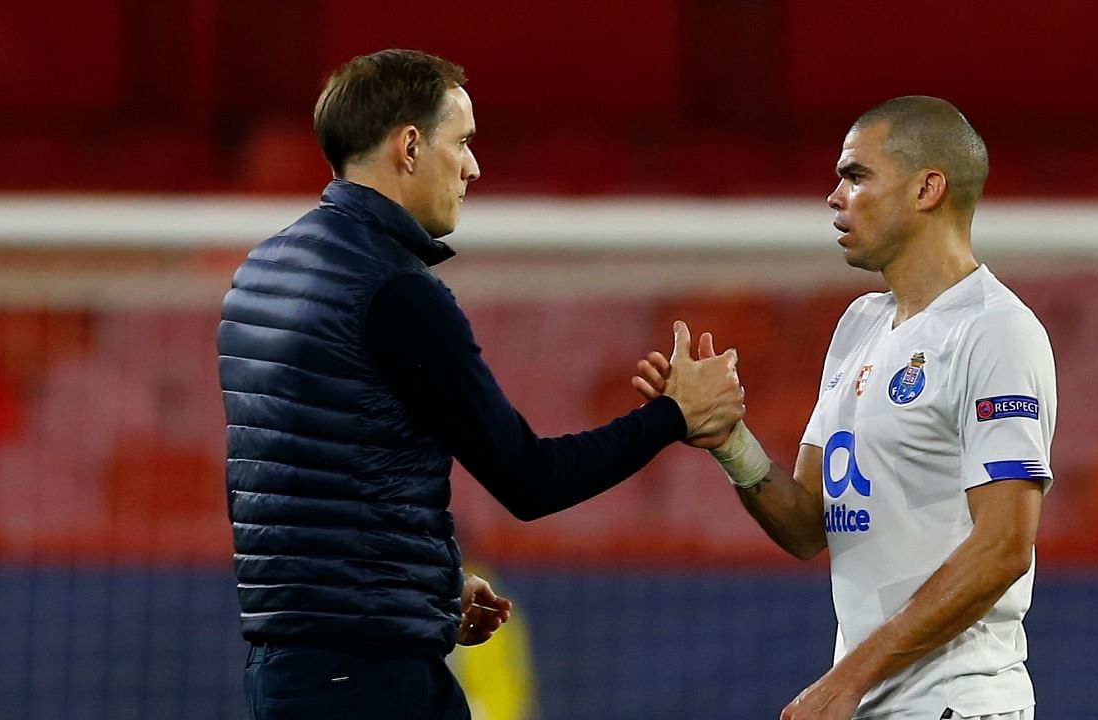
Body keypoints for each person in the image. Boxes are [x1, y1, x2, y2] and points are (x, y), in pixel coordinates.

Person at [217, 49, 744, 720]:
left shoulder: (258, 275)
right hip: (371, 683)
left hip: (288, 672)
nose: (473, 167)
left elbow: (287, 481)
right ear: (410, 146)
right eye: (461, 142)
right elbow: (529, 479)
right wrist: (673, 414)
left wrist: (424, 584)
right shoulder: (397, 293)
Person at [636, 96, 1055, 720]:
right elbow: (808, 526)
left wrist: (845, 680)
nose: (835, 197)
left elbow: (1004, 546)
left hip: (959, 704)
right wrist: (729, 439)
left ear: (927, 189)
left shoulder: (995, 332)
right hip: (874, 703)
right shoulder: (859, 325)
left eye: (855, 176)